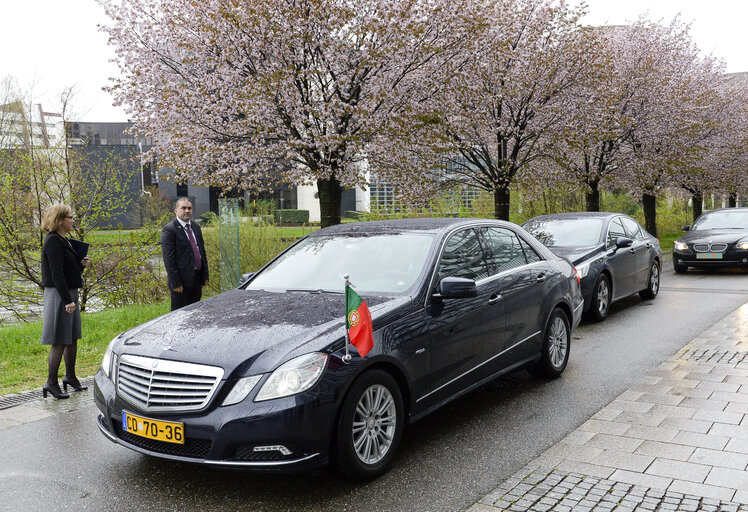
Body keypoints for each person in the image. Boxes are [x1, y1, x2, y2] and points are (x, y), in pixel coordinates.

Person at [40, 204, 91, 399]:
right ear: (60, 220)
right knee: (59, 339)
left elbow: (69, 271)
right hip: (59, 295)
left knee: (71, 337)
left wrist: (82, 266)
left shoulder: (65, 240)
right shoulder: (53, 241)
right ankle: (51, 382)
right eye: (70, 217)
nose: (73, 221)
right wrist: (67, 300)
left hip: (69, 293)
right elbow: (56, 273)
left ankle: (70, 377)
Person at [161, 197, 209, 311]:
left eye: (189, 208)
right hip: (181, 283)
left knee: (195, 312)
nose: (187, 211)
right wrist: (175, 282)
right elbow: (169, 259)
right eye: (183, 208)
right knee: (179, 315)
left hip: (196, 279)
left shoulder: (196, 227)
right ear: (176, 211)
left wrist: (205, 275)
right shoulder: (169, 230)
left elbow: (201, 252)